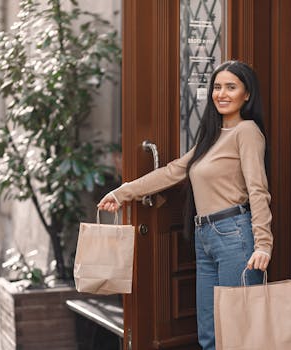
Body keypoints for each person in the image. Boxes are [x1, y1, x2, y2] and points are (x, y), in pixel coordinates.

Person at [97, 60, 273, 350]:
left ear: (247, 95)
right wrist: (122, 193)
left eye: (231, 87)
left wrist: (263, 244)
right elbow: (172, 171)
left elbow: (258, 190)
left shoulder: (247, 132)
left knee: (236, 333)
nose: (222, 93)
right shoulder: (211, 136)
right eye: (217, 87)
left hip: (235, 237)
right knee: (209, 334)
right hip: (205, 238)